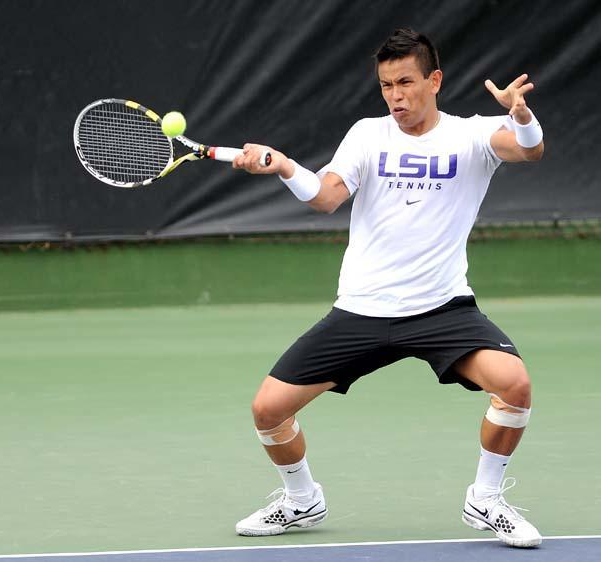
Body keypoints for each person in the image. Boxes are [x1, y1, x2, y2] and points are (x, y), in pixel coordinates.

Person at [231, 27, 544, 548]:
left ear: (434, 80)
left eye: (405, 82)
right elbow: (327, 197)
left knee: (514, 385)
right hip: (361, 310)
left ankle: (486, 499)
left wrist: (522, 115)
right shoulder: (367, 135)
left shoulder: (471, 135)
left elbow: (529, 151)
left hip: (442, 308)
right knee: (268, 409)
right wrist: (286, 166)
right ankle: (302, 499)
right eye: (385, 86)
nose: (395, 96)